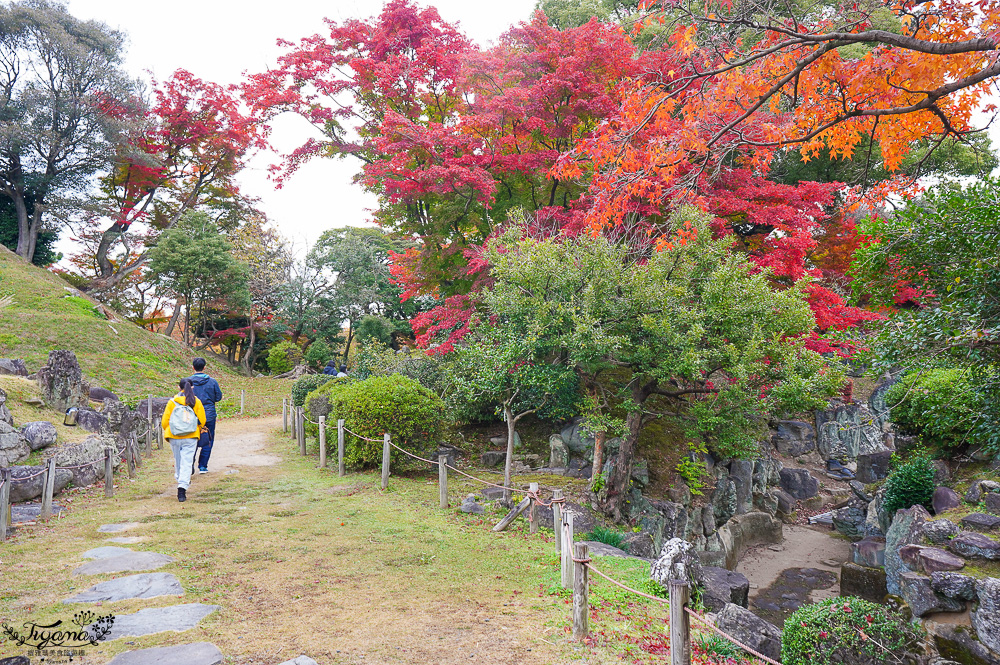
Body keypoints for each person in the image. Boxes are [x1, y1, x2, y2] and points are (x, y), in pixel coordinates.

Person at [161, 378, 206, 502]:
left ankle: (179, 478)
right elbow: (202, 420)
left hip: (174, 435)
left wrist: (170, 429)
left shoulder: (172, 402)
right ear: (192, 387)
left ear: (178, 387)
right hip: (191, 436)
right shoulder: (196, 402)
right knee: (187, 461)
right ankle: (182, 487)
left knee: (178, 460)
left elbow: (165, 421)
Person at [188, 357, 223, 474]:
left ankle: (189, 464)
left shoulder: (187, 382)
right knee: (208, 439)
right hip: (209, 414)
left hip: (192, 415)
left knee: (191, 439)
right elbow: (218, 397)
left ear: (193, 367)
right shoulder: (212, 381)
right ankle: (203, 466)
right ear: (204, 367)